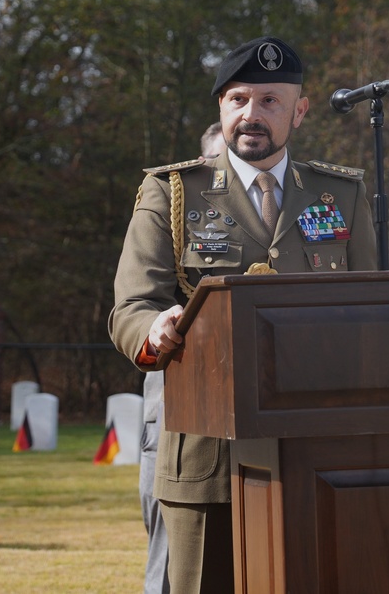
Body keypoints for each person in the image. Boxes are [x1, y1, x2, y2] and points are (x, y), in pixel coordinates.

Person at [109, 36, 378, 594]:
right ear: (221, 109)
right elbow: (132, 306)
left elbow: (371, 312)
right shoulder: (174, 192)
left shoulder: (340, 196)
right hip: (207, 450)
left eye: (270, 101)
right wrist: (153, 330)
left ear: (299, 111)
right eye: (238, 99)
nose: (251, 115)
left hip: (316, 448)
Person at [137, 119, 224, 594]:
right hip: (177, 404)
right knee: (172, 552)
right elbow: (139, 302)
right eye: (214, 162)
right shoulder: (175, 208)